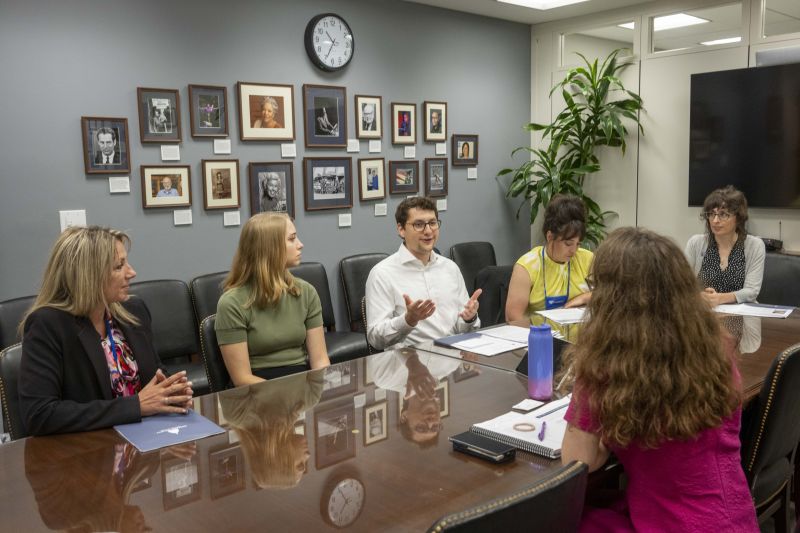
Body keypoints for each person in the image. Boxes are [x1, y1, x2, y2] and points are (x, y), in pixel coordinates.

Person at [560, 227, 759, 532]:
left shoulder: (607, 365)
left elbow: (577, 462)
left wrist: (607, 431)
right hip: (736, 517)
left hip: (667, 522)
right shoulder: (715, 345)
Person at [18, 226, 193, 436]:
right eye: (119, 266)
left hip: (145, 443)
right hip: (87, 452)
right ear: (88, 276)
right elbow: (39, 415)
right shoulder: (48, 325)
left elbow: (153, 370)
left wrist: (170, 392)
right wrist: (135, 406)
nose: (132, 272)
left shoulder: (134, 310)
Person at [215, 213, 330, 385]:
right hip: (256, 393)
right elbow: (241, 378)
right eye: (292, 239)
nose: (300, 245)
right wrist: (286, 399)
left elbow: (320, 361)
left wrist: (319, 394)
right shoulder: (231, 304)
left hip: (301, 387)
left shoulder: (306, 292)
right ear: (270, 248)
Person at [365, 197, 481, 351]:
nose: (428, 231)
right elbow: (375, 339)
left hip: (455, 361)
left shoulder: (450, 268)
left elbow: (463, 329)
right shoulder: (382, 274)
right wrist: (408, 321)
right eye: (419, 225)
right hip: (410, 364)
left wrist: (469, 319)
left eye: (432, 223)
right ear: (401, 229)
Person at [218, 370, 323, 488]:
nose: (308, 456)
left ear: (276, 459)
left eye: (300, 465)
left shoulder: (239, 414)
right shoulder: (311, 398)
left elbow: (236, 367)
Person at [506, 194, 593, 320]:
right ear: (550, 237)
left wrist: (585, 297)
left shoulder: (587, 259)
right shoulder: (527, 266)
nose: (574, 250)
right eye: (568, 244)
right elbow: (513, 318)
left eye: (578, 244)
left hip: (580, 336)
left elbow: (613, 294)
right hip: (538, 335)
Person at [685, 186, 765, 306]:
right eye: (712, 214)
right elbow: (683, 283)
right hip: (704, 312)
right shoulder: (695, 243)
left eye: (723, 214)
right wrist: (699, 295)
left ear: (738, 218)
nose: (715, 220)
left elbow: (752, 291)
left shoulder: (755, 245)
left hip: (742, 316)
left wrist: (720, 298)